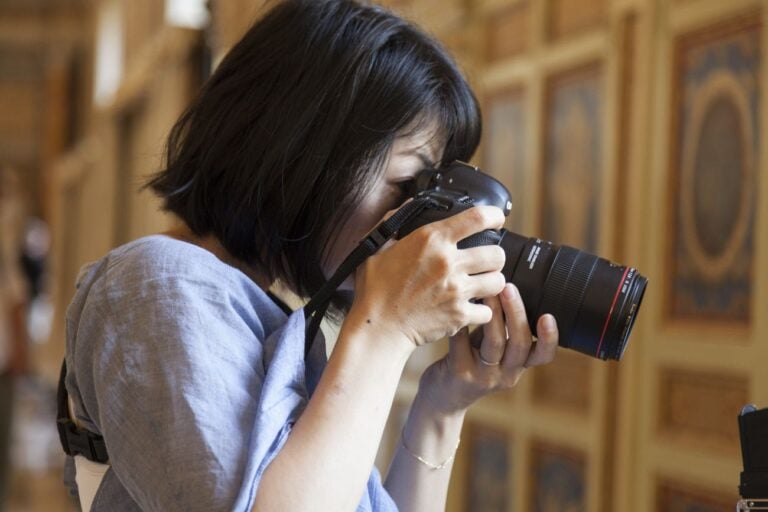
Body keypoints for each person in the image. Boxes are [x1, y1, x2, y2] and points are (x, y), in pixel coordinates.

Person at [62, 1, 559, 510]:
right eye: (407, 185)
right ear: (304, 150)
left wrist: (444, 403)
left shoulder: (262, 317)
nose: (418, 221)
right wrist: (386, 328)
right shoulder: (157, 286)